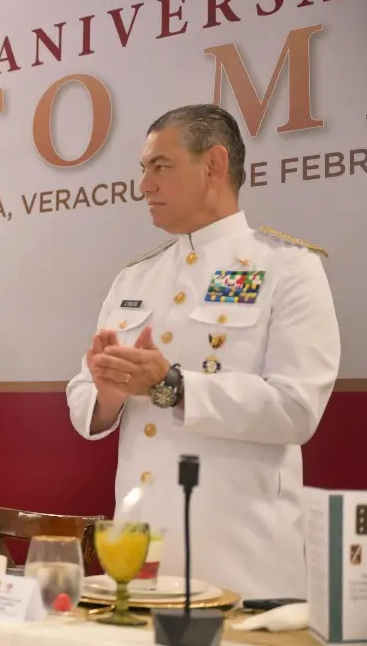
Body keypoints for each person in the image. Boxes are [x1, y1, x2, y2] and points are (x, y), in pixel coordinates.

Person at [66, 104, 340, 599]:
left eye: (160, 167)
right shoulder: (135, 276)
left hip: (240, 560)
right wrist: (108, 392)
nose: (144, 185)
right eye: (143, 169)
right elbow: (85, 394)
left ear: (213, 165)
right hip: (141, 553)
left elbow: (297, 408)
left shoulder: (286, 267)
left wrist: (172, 386)